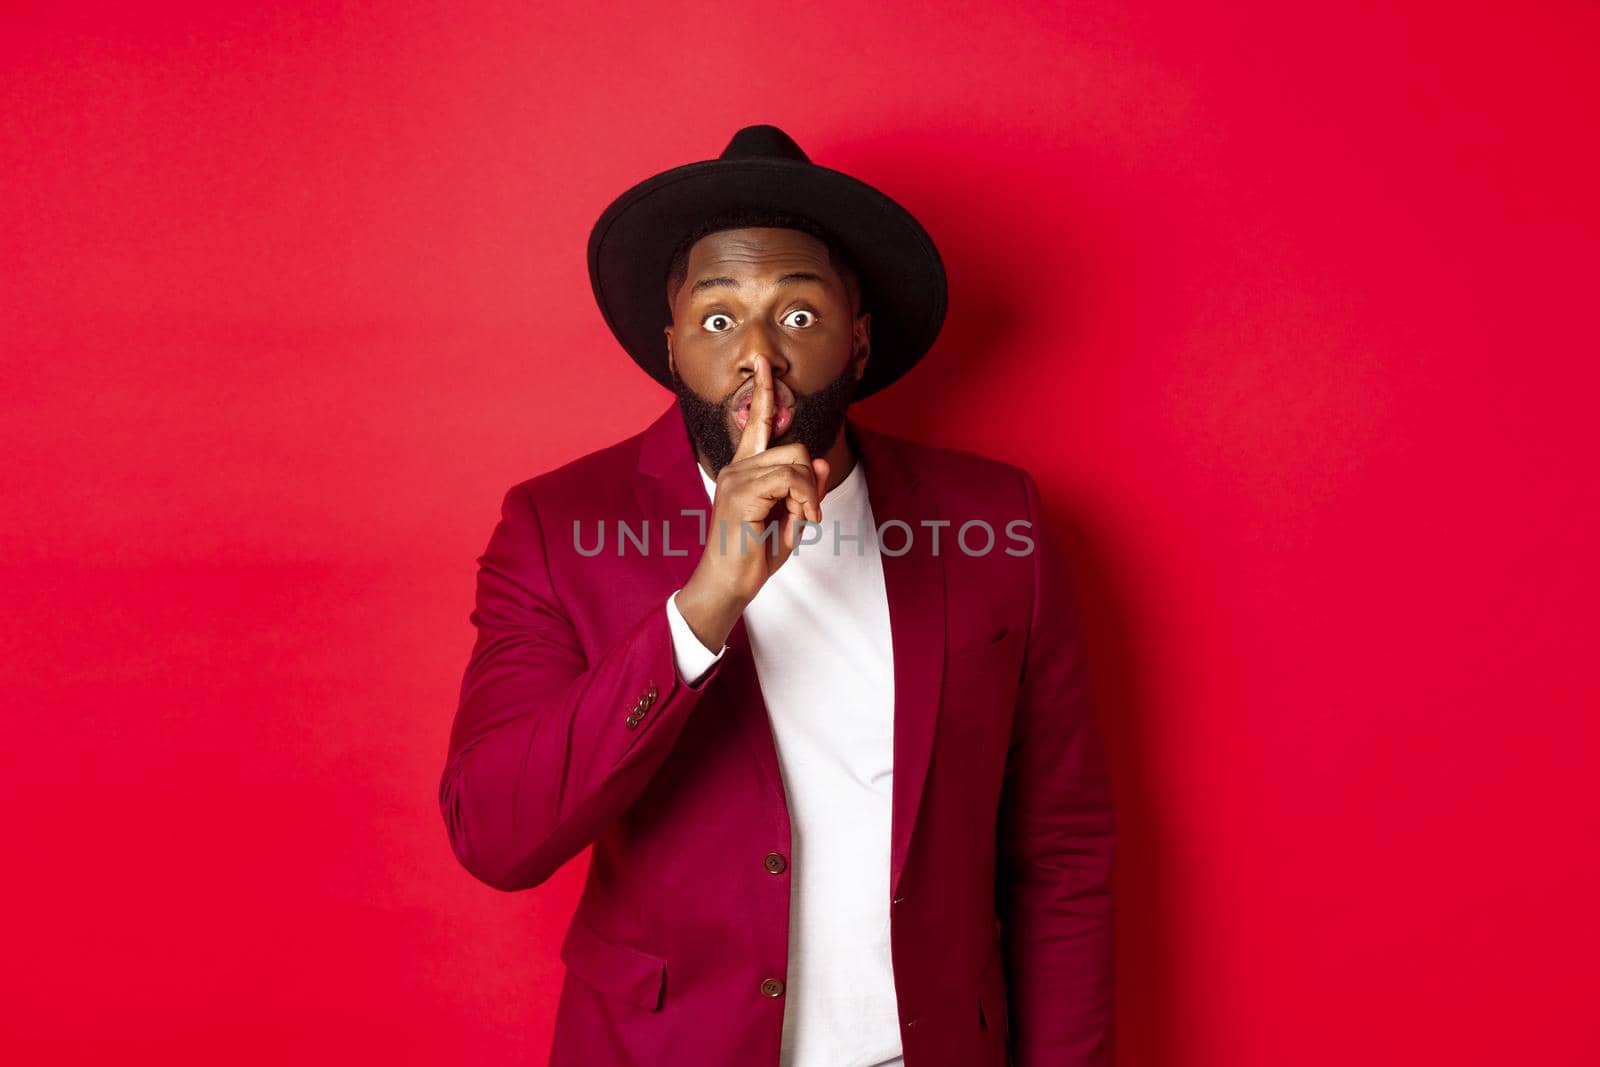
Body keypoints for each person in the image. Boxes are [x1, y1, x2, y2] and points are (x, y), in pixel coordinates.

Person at [438, 124, 1116, 1067]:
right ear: (671, 346)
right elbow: (496, 835)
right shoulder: (558, 528)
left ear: (860, 339)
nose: (761, 357)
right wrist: (703, 603)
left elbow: (1060, 853)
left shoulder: (995, 521)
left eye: (799, 315)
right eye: (719, 320)